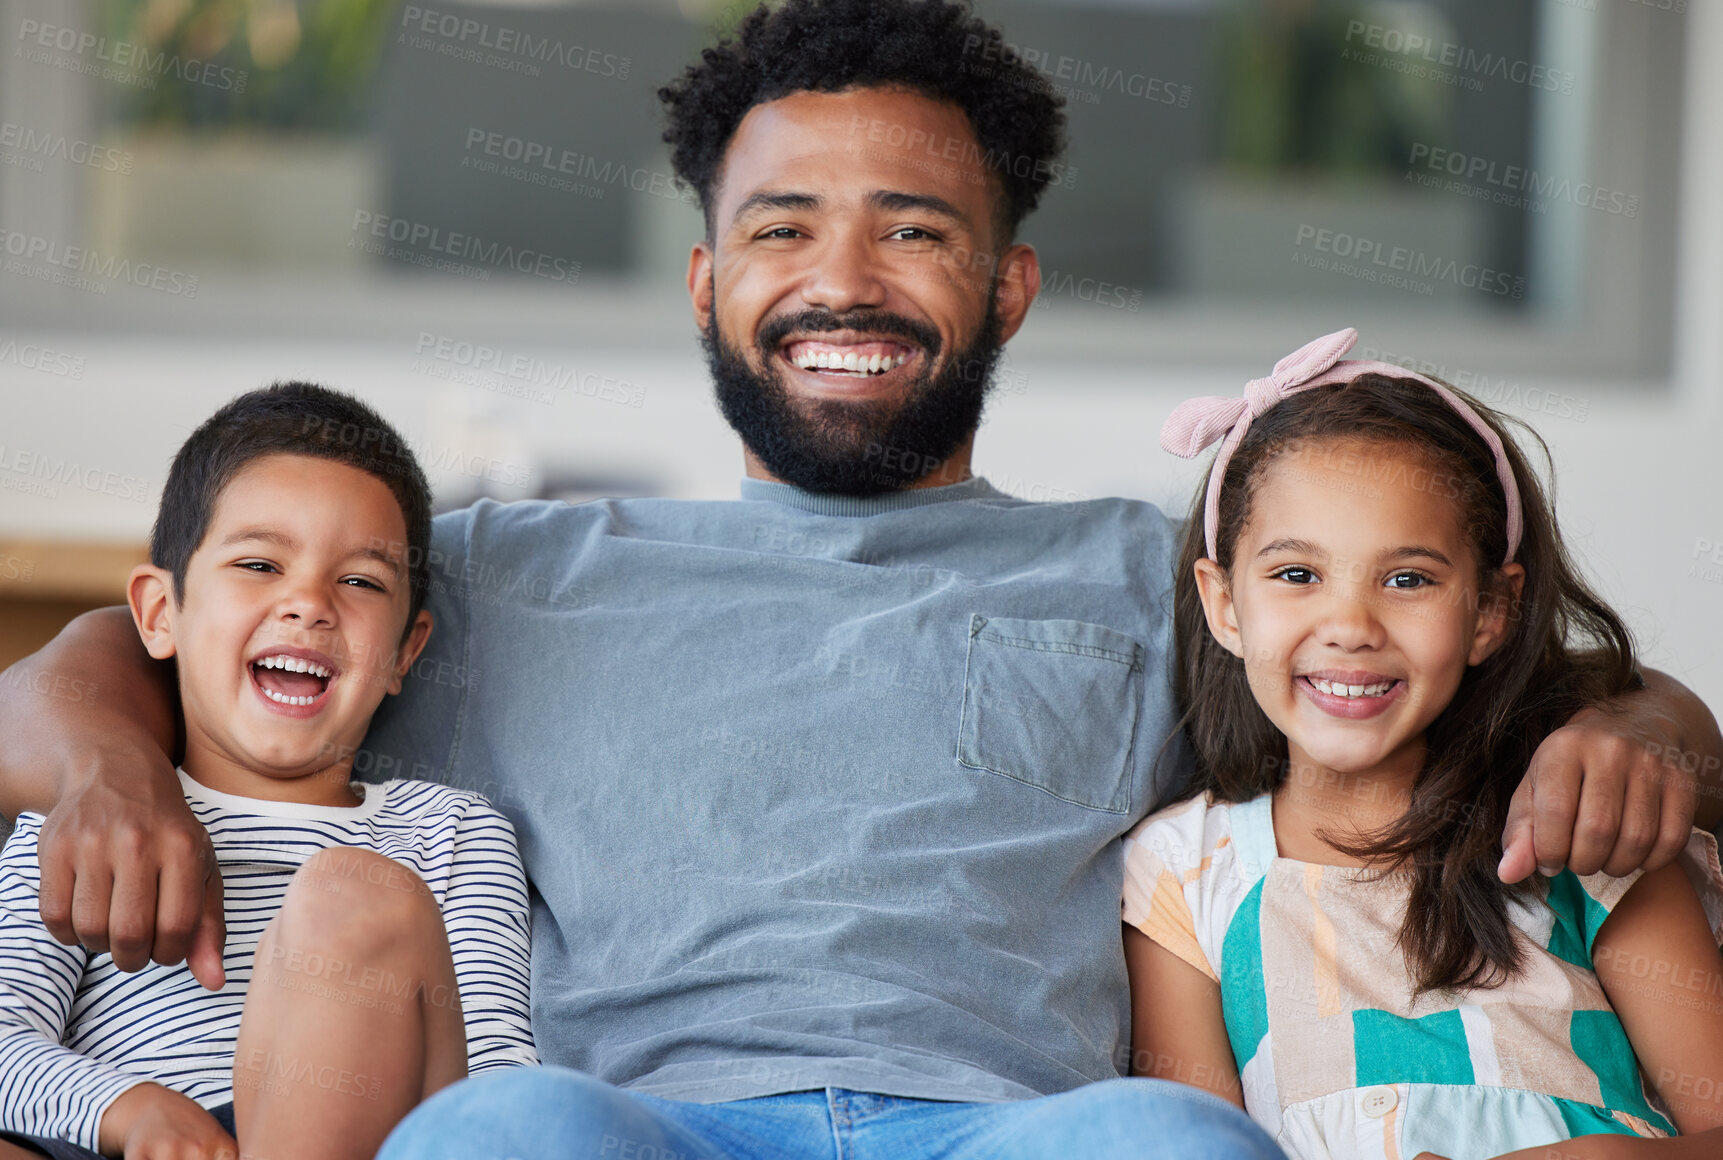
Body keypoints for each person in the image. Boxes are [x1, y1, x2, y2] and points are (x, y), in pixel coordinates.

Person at [0, 2, 1717, 1157]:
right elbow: (108, 652)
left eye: (912, 229)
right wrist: (100, 761)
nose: (845, 278)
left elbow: (1555, 685)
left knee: (1169, 1141)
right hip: (638, 1122)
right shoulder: (507, 571)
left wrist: (1632, 731)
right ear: (701, 282)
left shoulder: (1150, 574)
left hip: (1006, 1132)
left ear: (1009, 287)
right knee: (499, 1136)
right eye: (780, 227)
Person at [1123, 330, 1723, 1159]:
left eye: (1407, 579)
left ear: (1489, 612)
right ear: (1223, 603)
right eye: (1295, 575)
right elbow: (1186, 1142)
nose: (1349, 628)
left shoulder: (1579, 827)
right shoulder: (1184, 872)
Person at [0, 385, 535, 1160]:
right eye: (259, 563)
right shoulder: (85, 818)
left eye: (361, 581)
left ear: (404, 653)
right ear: (159, 614)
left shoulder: (450, 830)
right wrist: (129, 1107)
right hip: (122, 1140)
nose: (308, 603)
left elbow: (499, 1079)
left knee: (359, 893)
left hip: (361, 1137)